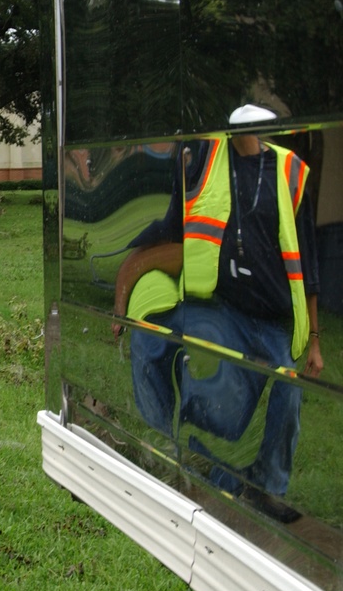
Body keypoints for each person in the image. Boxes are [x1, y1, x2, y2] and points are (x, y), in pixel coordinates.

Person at [112, 104, 323, 522]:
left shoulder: (288, 171)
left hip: (274, 318)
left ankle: (269, 486)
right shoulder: (205, 163)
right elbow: (174, 229)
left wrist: (315, 339)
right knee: (207, 386)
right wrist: (127, 286)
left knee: (288, 392)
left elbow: (310, 263)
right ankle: (187, 464)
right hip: (227, 310)